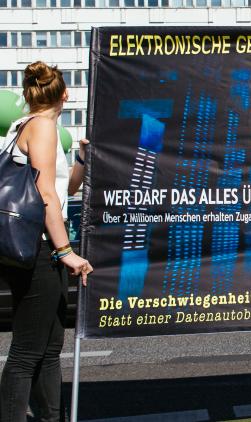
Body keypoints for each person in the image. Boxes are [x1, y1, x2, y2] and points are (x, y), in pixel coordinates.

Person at [0, 61, 93, 421]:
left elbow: (64, 188)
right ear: (65, 94)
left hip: (45, 248)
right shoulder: (41, 127)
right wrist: (66, 251)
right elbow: (45, 195)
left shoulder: (27, 126)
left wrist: (82, 159)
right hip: (41, 248)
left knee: (51, 348)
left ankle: (50, 416)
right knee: (27, 351)